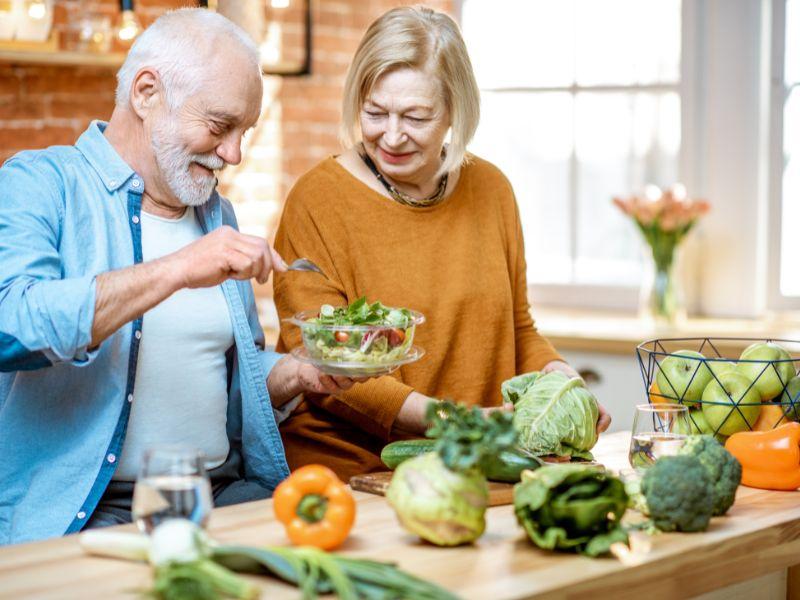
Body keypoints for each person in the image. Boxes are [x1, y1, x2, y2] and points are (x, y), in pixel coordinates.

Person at [0, 9, 359, 546]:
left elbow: (218, 374)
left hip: (226, 493)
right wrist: (177, 269)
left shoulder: (217, 216)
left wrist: (299, 373)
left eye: (244, 132)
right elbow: (11, 325)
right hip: (94, 511)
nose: (233, 154)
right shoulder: (39, 183)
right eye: (219, 126)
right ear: (146, 93)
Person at [273, 5, 611, 480]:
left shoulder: (492, 189)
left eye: (415, 116)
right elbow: (323, 362)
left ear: (455, 109)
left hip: (475, 463)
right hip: (353, 472)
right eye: (374, 112)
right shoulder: (317, 200)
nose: (391, 135)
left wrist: (563, 383)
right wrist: (455, 422)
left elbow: (518, 328)